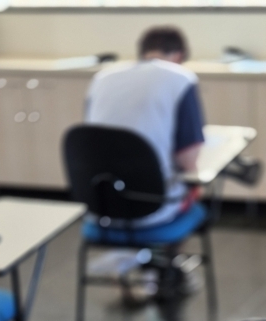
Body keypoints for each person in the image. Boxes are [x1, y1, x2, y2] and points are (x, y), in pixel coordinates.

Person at [85, 26, 205, 231]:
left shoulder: (101, 78)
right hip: (154, 208)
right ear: (179, 56)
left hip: (100, 207)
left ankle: (135, 250)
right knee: (195, 193)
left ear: (142, 51)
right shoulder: (181, 78)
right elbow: (188, 160)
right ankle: (163, 251)